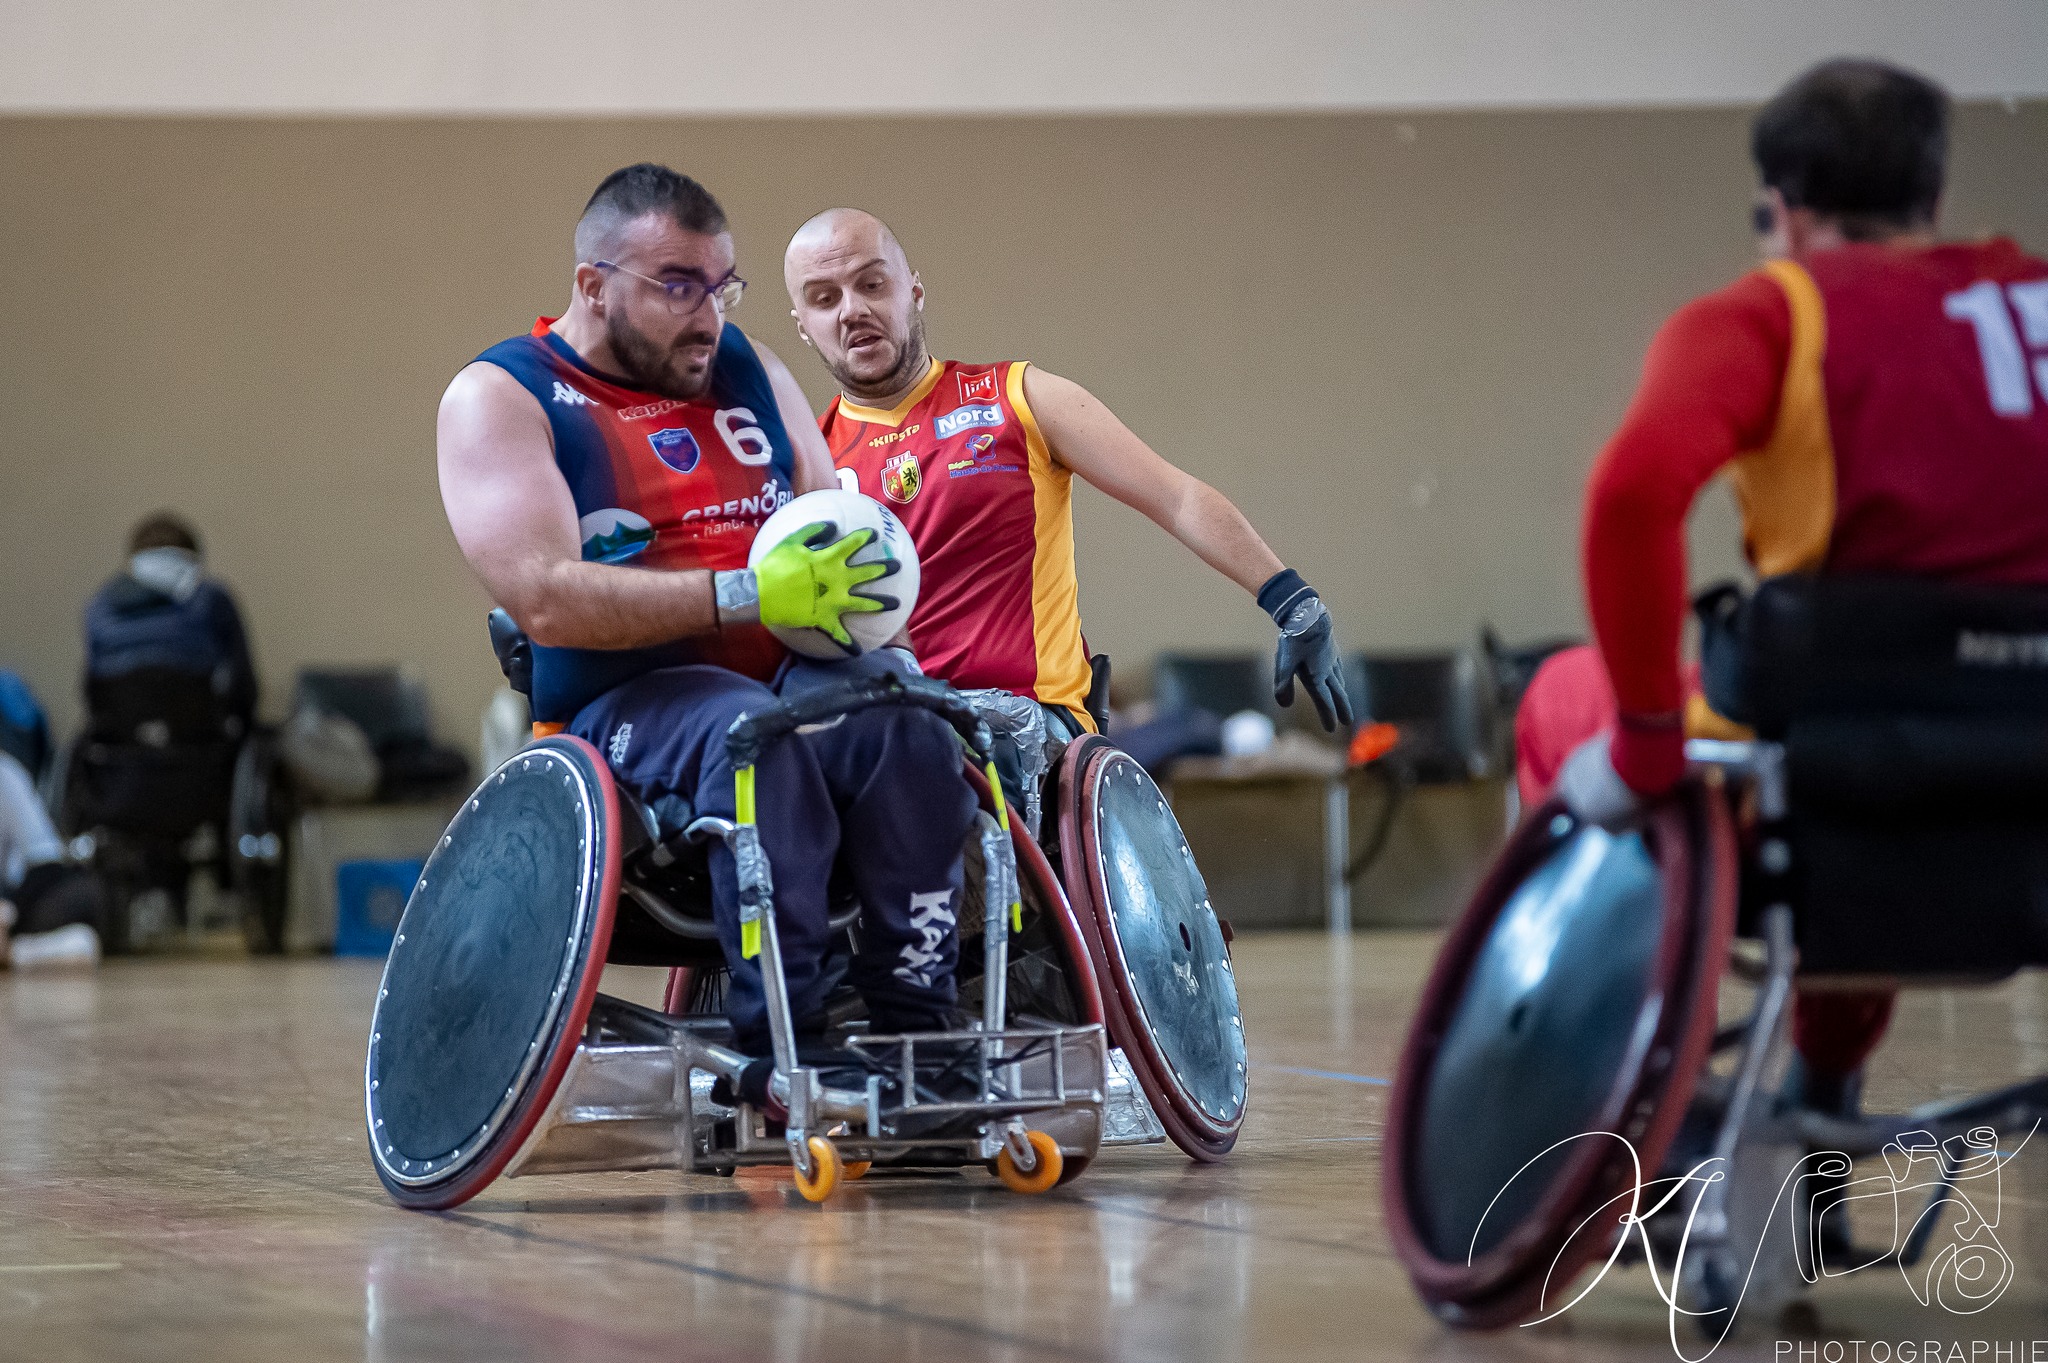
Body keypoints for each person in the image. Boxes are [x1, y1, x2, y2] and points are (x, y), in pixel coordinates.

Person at [1515, 60, 2048, 1121]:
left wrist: (1646, 744)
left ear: (1783, 206)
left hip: (1841, 759)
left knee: (1567, 699)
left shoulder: (1772, 315)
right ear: (1932, 194)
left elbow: (1629, 495)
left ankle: (1625, 1096)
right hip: (2020, 759)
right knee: (1878, 746)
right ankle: (1825, 1087)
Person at [436, 164, 976, 1078]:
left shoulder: (750, 369)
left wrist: (895, 646)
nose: (707, 314)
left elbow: (832, 526)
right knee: (756, 739)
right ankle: (788, 1050)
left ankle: (919, 1033)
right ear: (593, 284)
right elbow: (544, 596)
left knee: (913, 720)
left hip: (788, 673)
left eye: (721, 284)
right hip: (627, 699)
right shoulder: (501, 396)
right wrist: (744, 595)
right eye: (677, 286)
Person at [781, 209, 1353, 814]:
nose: (851, 310)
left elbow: (1176, 496)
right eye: (824, 298)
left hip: (1031, 742)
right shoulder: (807, 467)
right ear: (803, 325)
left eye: (872, 283)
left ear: (913, 289)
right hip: (892, 745)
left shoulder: (1020, 398)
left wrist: (1291, 599)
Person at [84, 512, 258, 730]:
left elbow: (92, 691)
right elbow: (242, 686)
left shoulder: (100, 605)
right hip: (203, 746)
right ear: (193, 561)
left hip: (117, 748)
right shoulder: (211, 599)